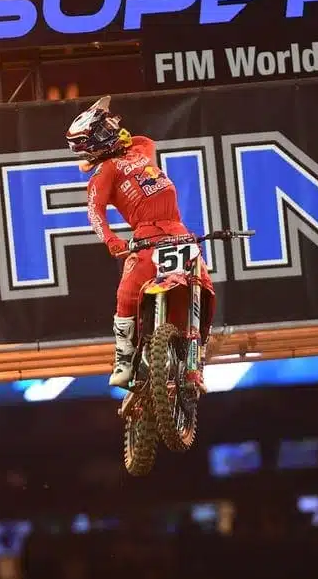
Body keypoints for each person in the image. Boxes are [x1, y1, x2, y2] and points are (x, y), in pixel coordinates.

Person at [65, 96, 211, 389]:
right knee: (127, 292)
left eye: (110, 125)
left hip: (178, 232)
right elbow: (94, 212)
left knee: (204, 286)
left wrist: (107, 140)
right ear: (95, 143)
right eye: (105, 129)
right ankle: (123, 358)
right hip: (146, 238)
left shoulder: (139, 150)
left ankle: (196, 362)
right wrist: (111, 241)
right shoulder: (104, 173)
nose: (113, 128)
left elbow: (143, 140)